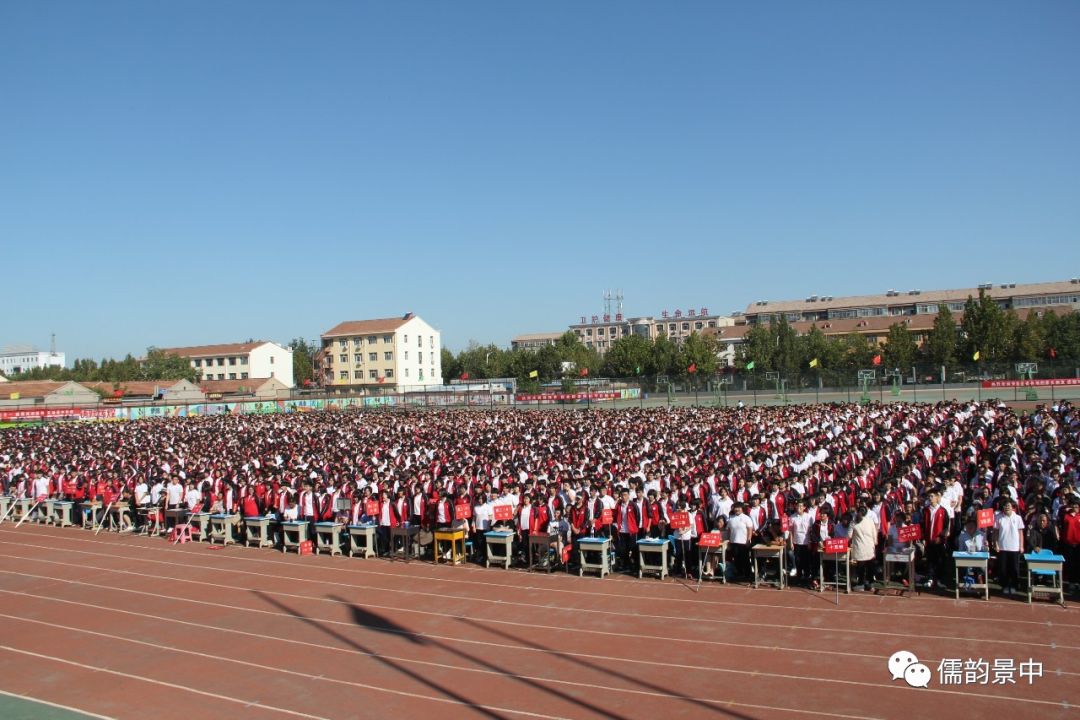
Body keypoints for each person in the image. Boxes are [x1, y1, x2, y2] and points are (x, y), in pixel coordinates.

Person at [993, 499, 1025, 597]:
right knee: (1003, 568)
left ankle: (1014, 585)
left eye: (1009, 506)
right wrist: (996, 544)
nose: (1007, 507)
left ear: (1013, 507)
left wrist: (1021, 546)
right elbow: (996, 532)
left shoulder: (1018, 518)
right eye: (1006, 506)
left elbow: (1020, 533)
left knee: (1014, 568)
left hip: (1014, 547)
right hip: (1003, 547)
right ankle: (1005, 585)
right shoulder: (998, 517)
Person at [849, 505, 877, 591]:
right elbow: (874, 534)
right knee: (870, 566)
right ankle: (871, 584)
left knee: (860, 567)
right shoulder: (870, 521)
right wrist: (875, 544)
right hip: (870, 547)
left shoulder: (853, 522)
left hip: (859, 548)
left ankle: (861, 584)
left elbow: (849, 535)